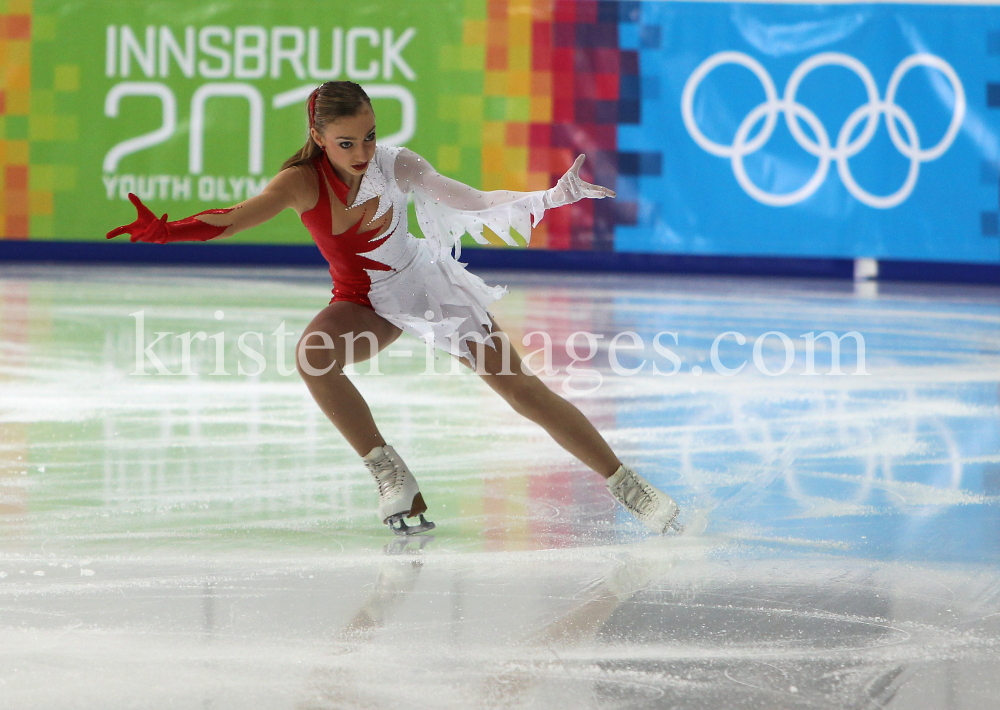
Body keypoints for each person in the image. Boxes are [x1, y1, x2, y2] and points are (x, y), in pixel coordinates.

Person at [107, 81, 681, 536]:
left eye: (369, 137)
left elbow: (475, 200)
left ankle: (631, 487)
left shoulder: (395, 164)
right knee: (314, 357)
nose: (362, 153)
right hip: (365, 302)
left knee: (521, 390)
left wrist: (550, 197)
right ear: (318, 135)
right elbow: (235, 216)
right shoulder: (300, 183)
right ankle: (389, 473)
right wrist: (166, 230)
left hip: (427, 287)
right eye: (347, 143)